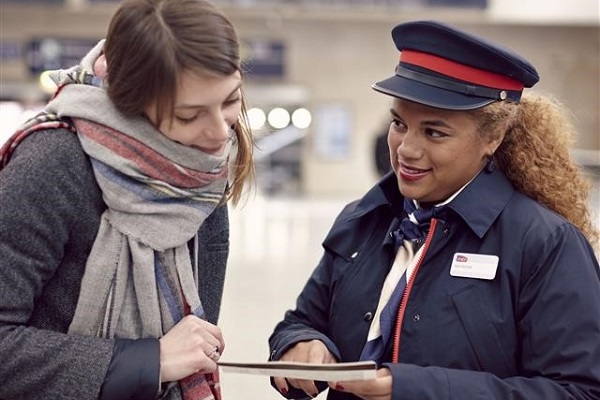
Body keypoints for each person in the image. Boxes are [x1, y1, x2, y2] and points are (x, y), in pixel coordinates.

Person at [268, 20, 600, 400]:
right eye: (399, 123)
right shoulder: (364, 219)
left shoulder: (545, 245)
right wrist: (300, 342)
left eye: (434, 132)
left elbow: (579, 391)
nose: (406, 149)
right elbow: (302, 320)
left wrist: (411, 388)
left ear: (492, 137)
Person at [0, 0, 255, 399]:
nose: (221, 133)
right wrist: (149, 361)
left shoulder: (197, 170)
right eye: (189, 116)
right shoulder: (54, 163)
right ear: (130, 104)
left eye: (230, 101)